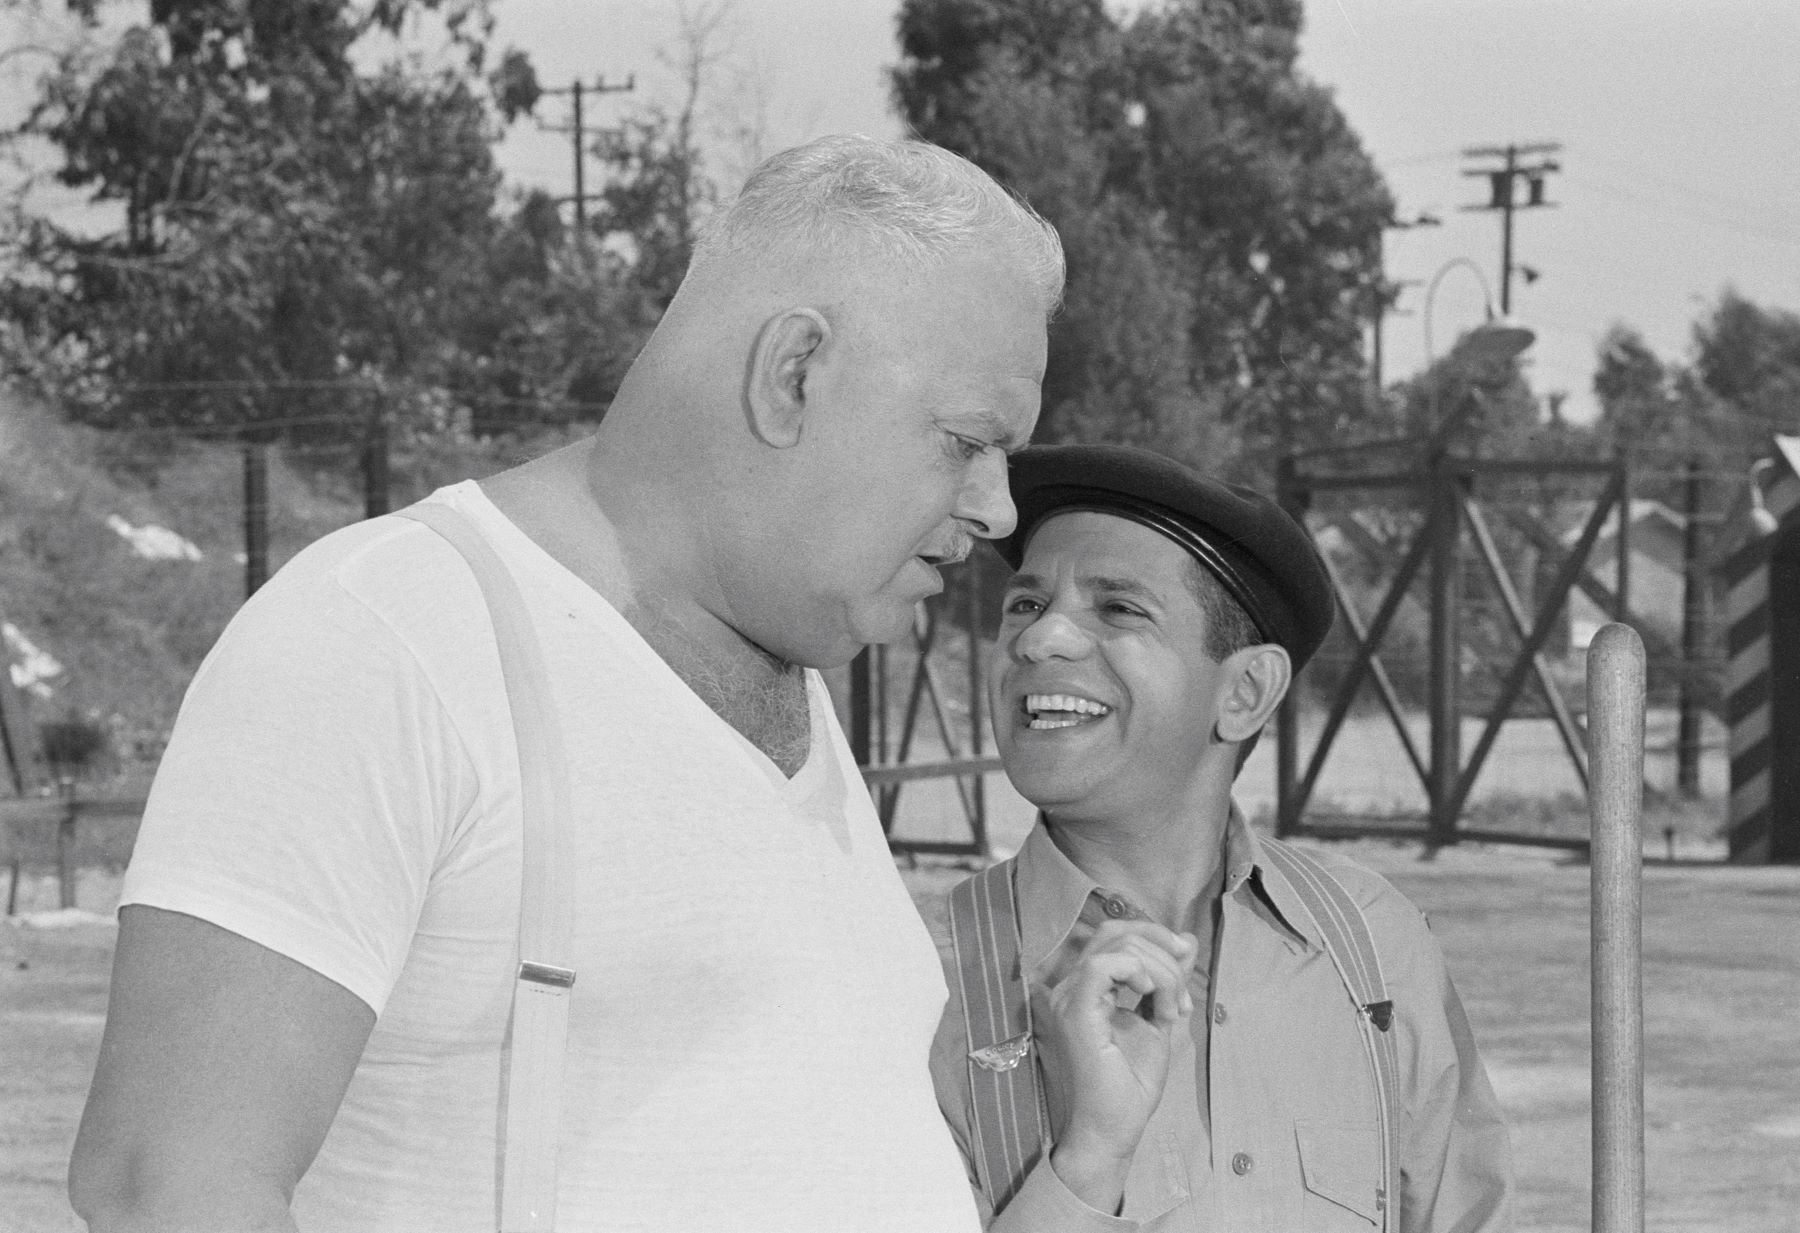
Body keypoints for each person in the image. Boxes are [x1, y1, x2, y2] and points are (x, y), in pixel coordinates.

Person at [69, 134, 1062, 1233]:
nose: (998, 507)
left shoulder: (793, 694)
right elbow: (165, 1186)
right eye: (969, 441)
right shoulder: (388, 637)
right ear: (794, 375)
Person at [930, 443, 1514, 1232]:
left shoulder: (1374, 949)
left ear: (1244, 692)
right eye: (1026, 605)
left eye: (1118, 609)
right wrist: (1088, 1160)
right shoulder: (925, 984)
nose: (1040, 641)